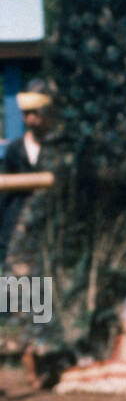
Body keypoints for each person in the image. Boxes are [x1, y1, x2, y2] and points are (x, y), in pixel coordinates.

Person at [0, 80, 53, 266]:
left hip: (50, 226)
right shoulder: (15, 148)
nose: (30, 118)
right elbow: (5, 194)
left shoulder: (58, 148)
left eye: (35, 112)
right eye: (26, 113)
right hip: (16, 226)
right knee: (18, 290)